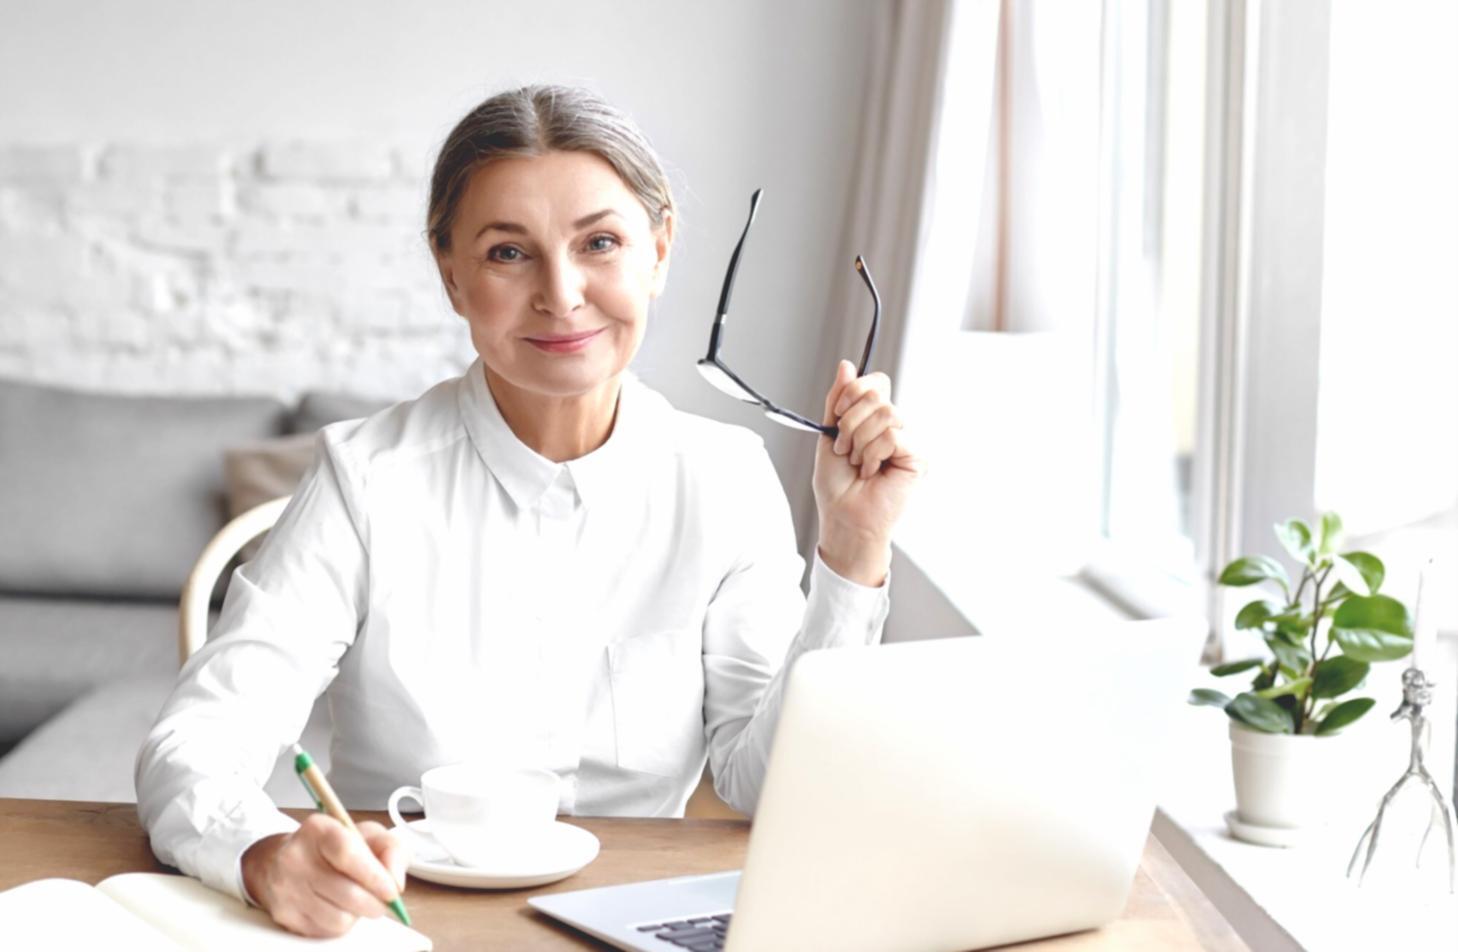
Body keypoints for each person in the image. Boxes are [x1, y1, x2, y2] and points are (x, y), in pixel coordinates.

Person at [135, 84, 924, 938]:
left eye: (600, 243)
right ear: (452, 276)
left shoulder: (726, 480)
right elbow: (197, 744)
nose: (561, 293)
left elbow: (764, 784)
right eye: (508, 253)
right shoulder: (363, 480)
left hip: (640, 921)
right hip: (405, 921)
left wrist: (853, 548)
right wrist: (261, 855)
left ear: (659, 251)